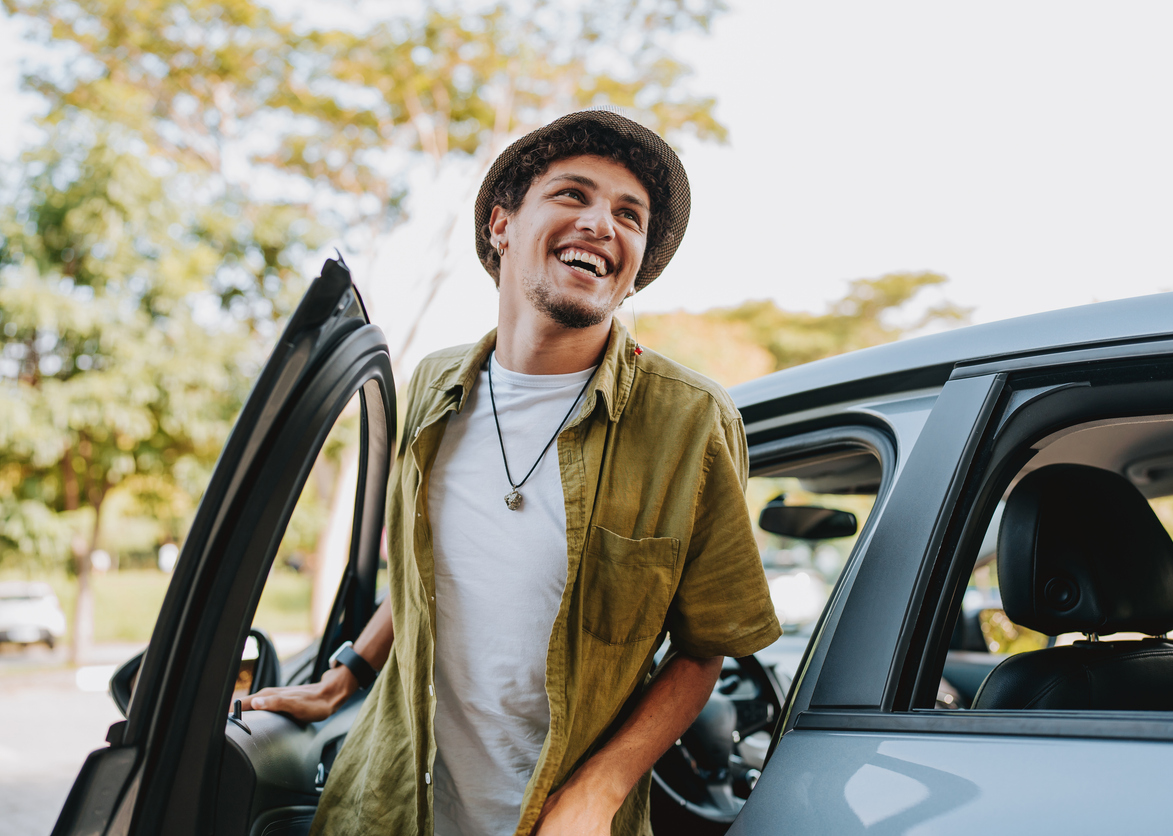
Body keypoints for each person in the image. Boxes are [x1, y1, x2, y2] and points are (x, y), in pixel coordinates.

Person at [241, 109, 781, 836]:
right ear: (501, 225)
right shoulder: (433, 386)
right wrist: (342, 677)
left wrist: (599, 792)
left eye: (629, 214)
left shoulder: (689, 422)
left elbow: (702, 647)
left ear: (635, 267)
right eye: (572, 195)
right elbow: (427, 570)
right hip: (389, 808)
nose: (602, 223)